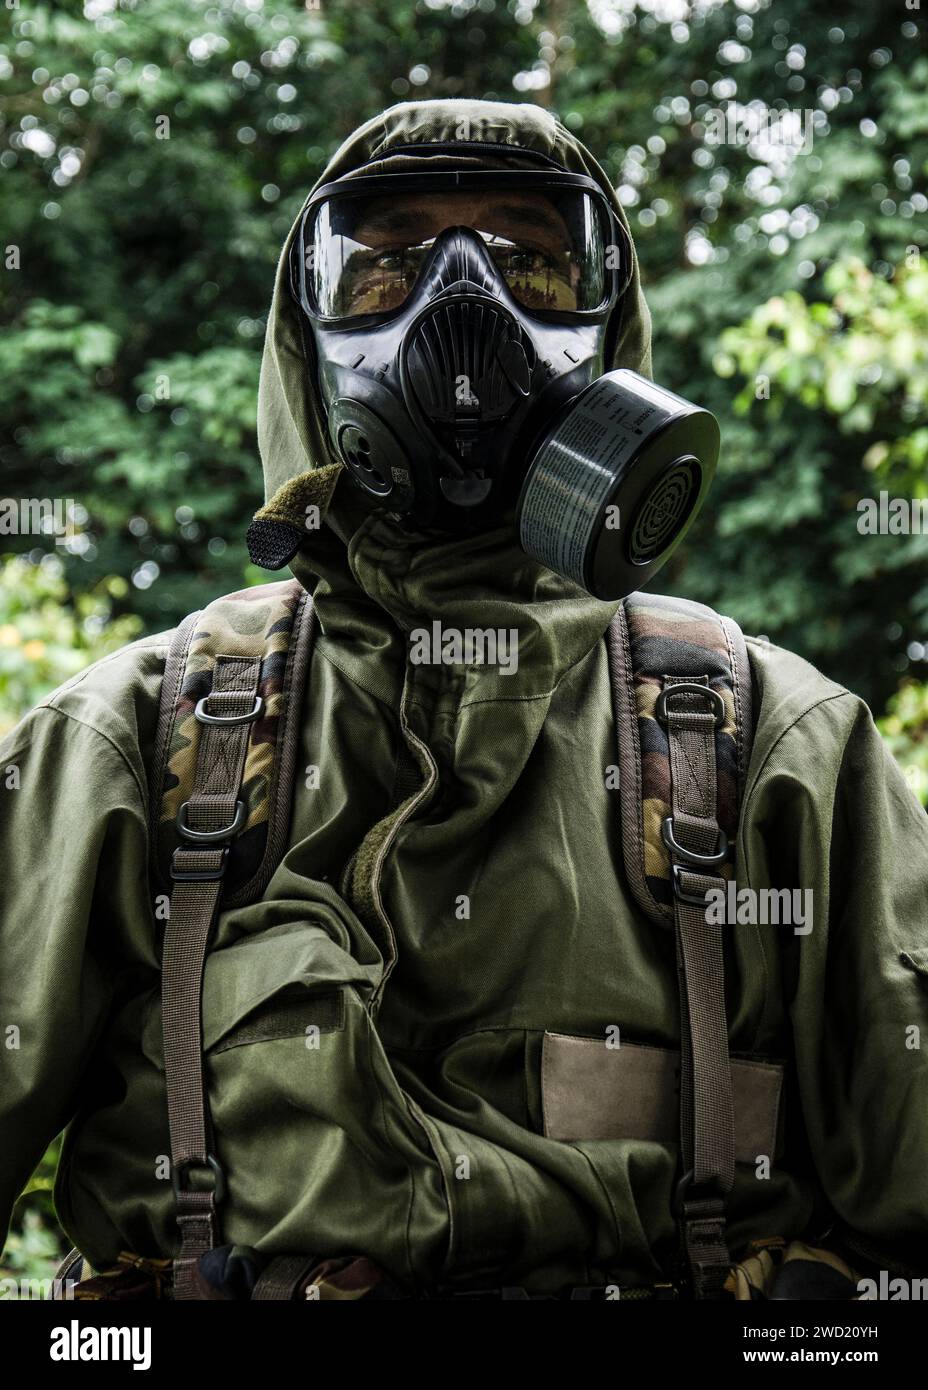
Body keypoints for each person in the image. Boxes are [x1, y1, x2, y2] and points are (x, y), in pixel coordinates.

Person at [1, 98, 926, 1303]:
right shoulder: (133, 741)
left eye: (531, 256)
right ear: (305, 341)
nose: (462, 304)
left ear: (611, 325)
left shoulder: (781, 758)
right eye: (386, 260)